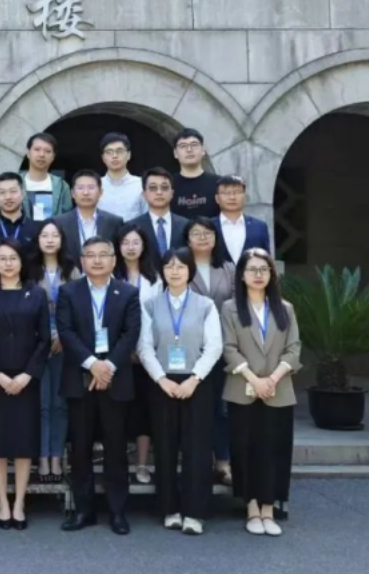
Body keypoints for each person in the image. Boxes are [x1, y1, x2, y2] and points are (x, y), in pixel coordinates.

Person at [57, 236, 141, 536]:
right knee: (80, 448)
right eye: (90, 255)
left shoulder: (128, 292)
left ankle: (117, 512)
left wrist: (108, 367)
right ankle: (84, 510)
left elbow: (131, 333)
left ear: (113, 260)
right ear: (82, 261)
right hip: (80, 380)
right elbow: (66, 332)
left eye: (103, 255)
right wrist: (93, 364)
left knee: (116, 448)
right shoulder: (68, 291)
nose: (96, 260)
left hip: (116, 380)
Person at [137, 247, 223, 536]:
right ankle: (169, 509)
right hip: (162, 383)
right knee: (165, 447)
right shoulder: (150, 304)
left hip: (197, 382)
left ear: (190, 271)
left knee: (197, 449)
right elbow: (144, 347)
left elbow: (214, 347)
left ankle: (195, 512)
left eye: (181, 266)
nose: (174, 271)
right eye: (169, 266)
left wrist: (194, 379)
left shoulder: (205, 305)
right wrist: (162, 379)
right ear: (162, 271)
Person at [221, 249, 302, 537]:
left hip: (278, 390)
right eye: (252, 269)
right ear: (241, 275)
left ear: (271, 274)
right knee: (246, 449)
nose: (258, 275)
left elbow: (294, 348)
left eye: (263, 269)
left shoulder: (285, 309)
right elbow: (229, 348)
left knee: (274, 450)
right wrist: (255, 380)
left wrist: (273, 378)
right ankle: (252, 508)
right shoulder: (230, 308)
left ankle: (269, 508)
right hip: (243, 389)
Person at [0, 239, 49, 531]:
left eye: (13, 258)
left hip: (26, 379)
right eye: (2, 258)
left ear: (21, 262)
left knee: (22, 444)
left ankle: (19, 503)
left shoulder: (37, 294)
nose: (8, 264)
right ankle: (2, 503)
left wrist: (27, 375)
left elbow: (44, 339)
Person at [184, 215, 237, 484]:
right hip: (190, 349)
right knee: (195, 408)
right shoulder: (180, 267)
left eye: (208, 233)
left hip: (223, 348)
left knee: (221, 407)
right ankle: (198, 462)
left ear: (216, 239)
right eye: (196, 233)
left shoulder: (228, 268)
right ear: (187, 240)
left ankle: (224, 461)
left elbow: (237, 306)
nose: (202, 238)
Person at [113, 222, 164, 485]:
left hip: (148, 354)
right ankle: (117, 462)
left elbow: (159, 317)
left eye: (136, 242)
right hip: (117, 353)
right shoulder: (111, 276)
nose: (130, 248)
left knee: (144, 410)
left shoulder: (156, 278)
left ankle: (142, 464)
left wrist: (143, 348)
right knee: (119, 411)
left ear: (144, 246)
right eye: (125, 243)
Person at [28, 219, 79, 483]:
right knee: (41, 404)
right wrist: (44, 337)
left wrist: (61, 335)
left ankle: (57, 455)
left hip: (65, 345)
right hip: (36, 346)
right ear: (37, 240)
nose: (49, 240)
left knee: (59, 404)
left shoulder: (72, 270)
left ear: (61, 240)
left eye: (54, 235)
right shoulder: (28, 270)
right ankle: (42, 456)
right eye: (44, 235)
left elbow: (79, 308)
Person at [53, 170, 124, 261]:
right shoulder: (59, 223)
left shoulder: (114, 222)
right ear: (73, 193)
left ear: (100, 192)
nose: (86, 192)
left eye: (91, 187)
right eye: (80, 188)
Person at [130, 167, 190, 258]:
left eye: (164, 188)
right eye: (153, 188)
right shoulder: (133, 226)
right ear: (144, 194)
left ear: (172, 193)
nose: (159, 192)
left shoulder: (186, 225)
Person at [215, 175, 272, 263]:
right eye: (226, 193)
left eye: (237, 192)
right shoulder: (209, 227)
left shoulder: (259, 227)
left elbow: (266, 260)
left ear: (244, 197)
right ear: (217, 199)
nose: (232, 197)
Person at [0, 172, 41, 256]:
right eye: (2, 192)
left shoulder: (36, 229)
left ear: (23, 194)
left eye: (13, 191)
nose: (8, 197)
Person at [21, 133, 73, 221]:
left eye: (48, 151)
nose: (42, 154)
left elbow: (67, 217)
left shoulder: (62, 186)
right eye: (37, 149)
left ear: (53, 157)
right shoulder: (15, 183)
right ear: (28, 153)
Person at [171, 129, 220, 219]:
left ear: (203, 150)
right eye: (183, 146)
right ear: (175, 153)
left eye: (194, 145)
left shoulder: (219, 183)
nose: (189, 150)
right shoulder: (168, 185)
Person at [99, 133, 147, 221]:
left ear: (129, 155)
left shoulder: (142, 185)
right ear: (103, 158)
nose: (114, 156)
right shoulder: (95, 186)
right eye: (109, 152)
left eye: (119, 151)